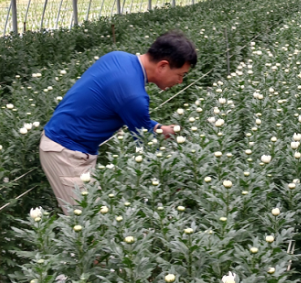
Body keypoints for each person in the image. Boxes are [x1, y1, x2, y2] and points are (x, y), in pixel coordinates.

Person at [39, 30, 197, 213]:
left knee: (99, 218)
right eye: (180, 74)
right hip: (65, 154)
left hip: (71, 147)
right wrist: (175, 181)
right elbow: (146, 144)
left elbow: (131, 114)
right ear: (163, 65)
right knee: (90, 224)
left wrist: (159, 128)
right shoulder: (133, 95)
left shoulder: (118, 58)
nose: (180, 81)